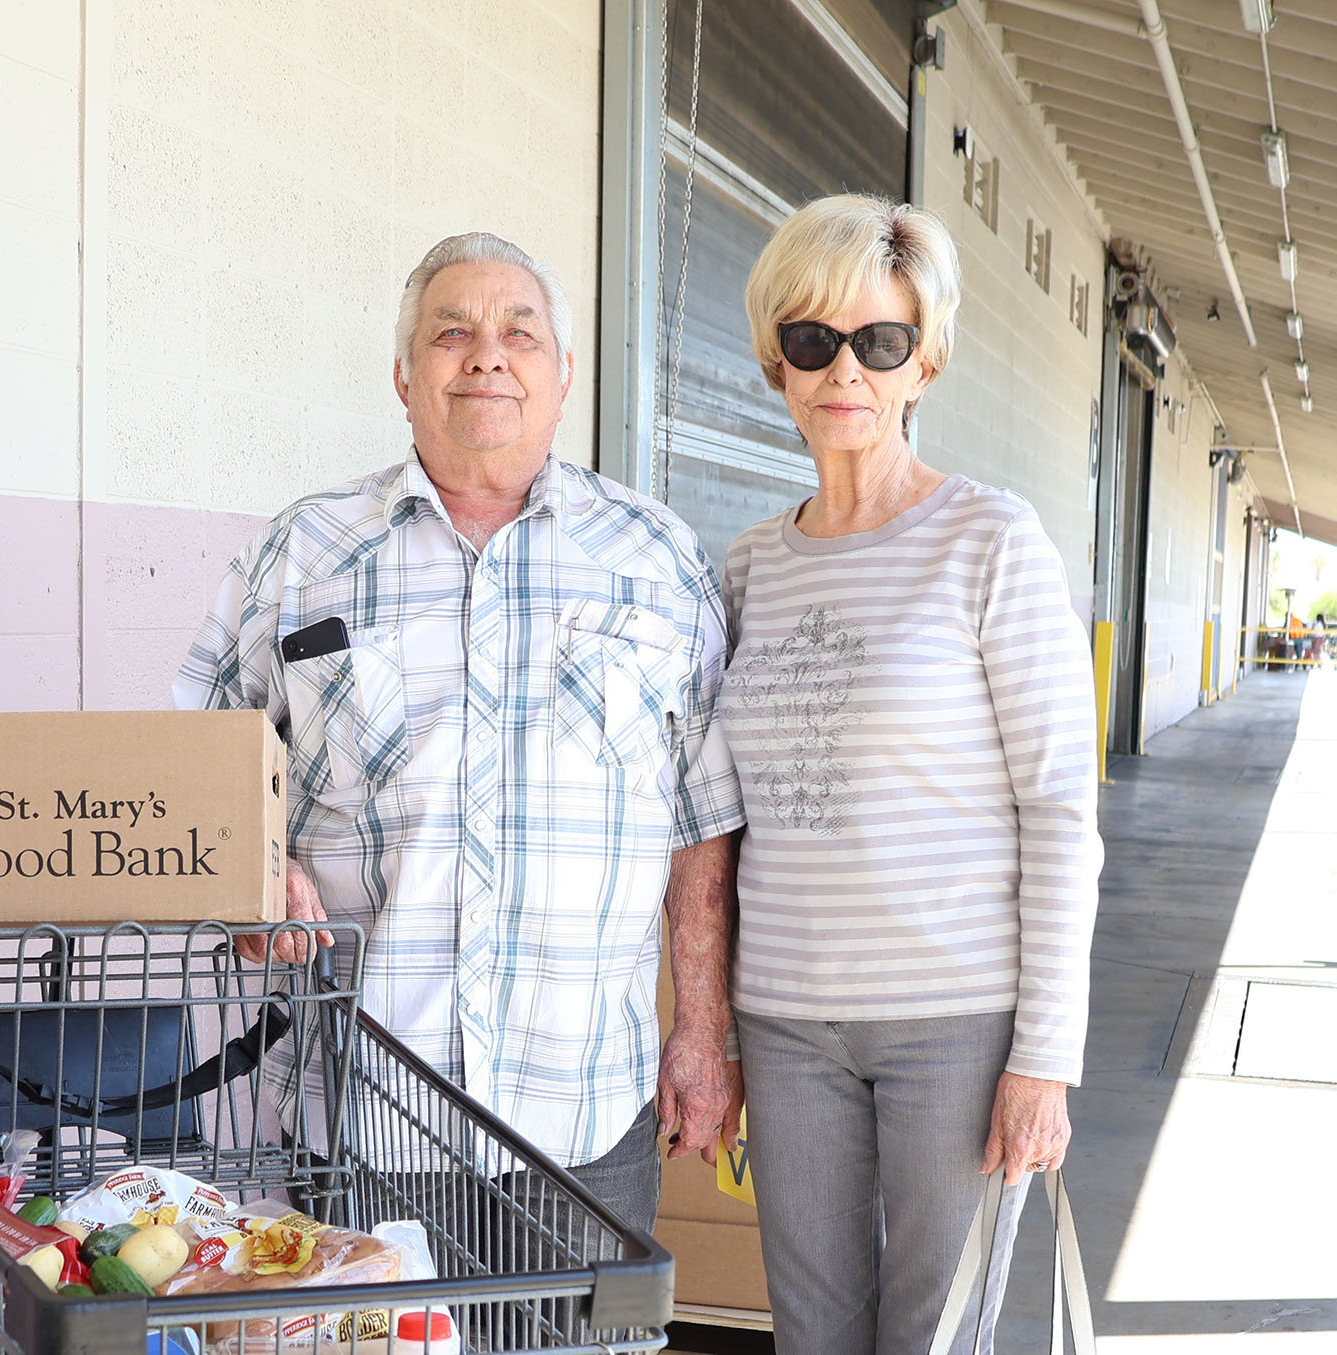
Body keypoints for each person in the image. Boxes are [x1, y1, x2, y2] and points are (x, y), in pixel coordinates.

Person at [174, 232, 746, 1235]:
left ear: (564, 376)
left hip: (581, 1118)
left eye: (519, 333)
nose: (487, 354)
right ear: (405, 376)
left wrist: (702, 1027)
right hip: (355, 1115)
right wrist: (247, 877)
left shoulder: (657, 559)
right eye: (453, 332)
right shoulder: (303, 552)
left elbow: (702, 823)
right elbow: (196, 765)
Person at [712, 194, 1103, 1354]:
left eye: (879, 341)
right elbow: (724, 816)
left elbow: (1062, 812)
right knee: (811, 1332)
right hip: (783, 1021)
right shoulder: (746, 565)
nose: (846, 371)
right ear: (773, 357)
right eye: (813, 340)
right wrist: (716, 1027)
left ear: (923, 359)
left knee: (937, 1337)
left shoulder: (991, 542)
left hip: (957, 1023)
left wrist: (1046, 1055)